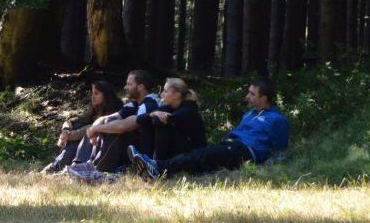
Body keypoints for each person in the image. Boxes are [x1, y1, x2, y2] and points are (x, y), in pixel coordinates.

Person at [131, 79, 290, 180]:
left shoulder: (277, 119)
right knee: (202, 157)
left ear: (264, 98)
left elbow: (280, 149)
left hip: (247, 151)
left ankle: (157, 167)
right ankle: (156, 166)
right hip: (231, 145)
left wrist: (266, 164)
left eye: (252, 94)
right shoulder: (249, 114)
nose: (247, 97)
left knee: (203, 155)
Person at [68, 69, 159, 181]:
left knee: (115, 130)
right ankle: (80, 165)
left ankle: (99, 169)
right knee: (104, 125)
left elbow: (125, 126)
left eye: (129, 84)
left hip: (143, 152)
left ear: (140, 87)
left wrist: (96, 128)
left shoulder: (150, 103)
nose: (126, 87)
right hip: (131, 148)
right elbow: (107, 117)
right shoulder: (134, 104)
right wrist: (94, 128)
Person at [42, 80, 122, 173]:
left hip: (101, 150)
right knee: (77, 126)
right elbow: (72, 121)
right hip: (87, 146)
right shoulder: (94, 111)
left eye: (96, 94)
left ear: (106, 95)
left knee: (78, 139)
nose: (92, 97)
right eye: (92, 93)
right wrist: (65, 131)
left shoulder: (114, 111)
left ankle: (59, 167)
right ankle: (58, 167)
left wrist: (71, 135)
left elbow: (90, 129)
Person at [137, 77, 206, 162]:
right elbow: (139, 120)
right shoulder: (170, 107)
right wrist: (153, 113)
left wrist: (157, 115)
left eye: (165, 91)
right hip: (178, 150)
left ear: (176, 95)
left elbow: (167, 119)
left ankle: (157, 163)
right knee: (147, 121)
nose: (162, 94)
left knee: (159, 121)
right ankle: (147, 159)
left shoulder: (189, 109)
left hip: (192, 155)